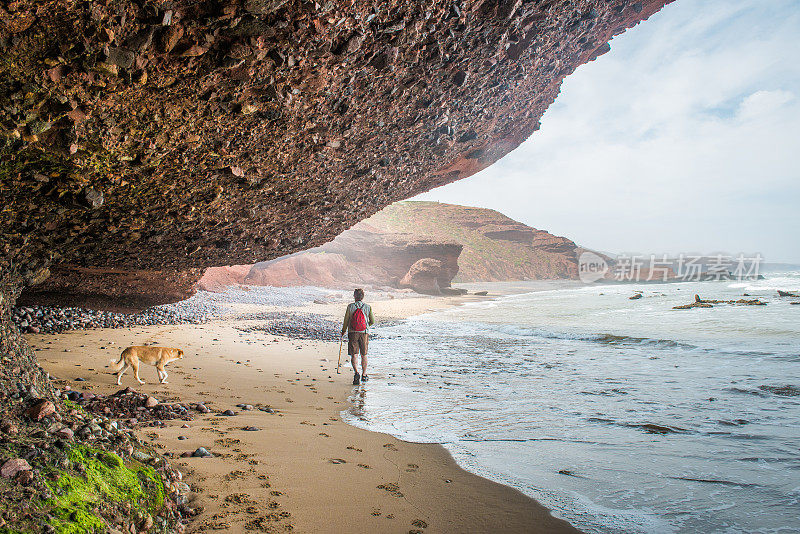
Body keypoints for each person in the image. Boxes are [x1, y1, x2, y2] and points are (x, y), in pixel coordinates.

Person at [341, 288, 375, 385]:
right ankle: (364, 375)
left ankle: (356, 373)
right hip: (364, 333)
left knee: (354, 354)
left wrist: (343, 331)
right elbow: (372, 321)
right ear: (362, 297)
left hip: (352, 333)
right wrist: (366, 326)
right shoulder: (368, 307)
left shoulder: (350, 307)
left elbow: (346, 321)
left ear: (354, 296)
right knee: (364, 354)